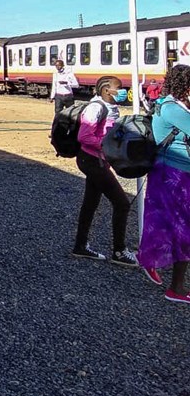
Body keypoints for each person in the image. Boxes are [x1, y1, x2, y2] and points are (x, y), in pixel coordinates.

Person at [71, 75, 138, 266]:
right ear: (106, 90)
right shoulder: (96, 108)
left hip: (96, 161)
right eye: (119, 88)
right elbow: (84, 136)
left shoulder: (109, 108)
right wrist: (106, 146)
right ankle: (119, 251)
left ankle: (80, 246)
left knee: (90, 203)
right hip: (92, 160)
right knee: (122, 203)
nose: (122, 91)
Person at [137, 65, 190, 302]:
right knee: (182, 226)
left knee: (165, 220)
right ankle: (176, 288)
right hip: (175, 173)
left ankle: (149, 259)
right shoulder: (173, 110)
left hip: (169, 171)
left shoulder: (167, 104)